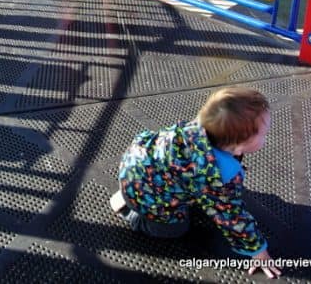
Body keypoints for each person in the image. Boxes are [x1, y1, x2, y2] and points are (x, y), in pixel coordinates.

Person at [110, 87, 283, 279]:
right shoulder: (218, 173)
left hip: (135, 166)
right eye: (264, 134)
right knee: (176, 228)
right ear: (238, 145)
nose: (266, 137)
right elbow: (231, 217)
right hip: (146, 197)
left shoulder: (197, 129)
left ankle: (129, 193)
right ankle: (131, 213)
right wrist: (258, 250)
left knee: (185, 188)